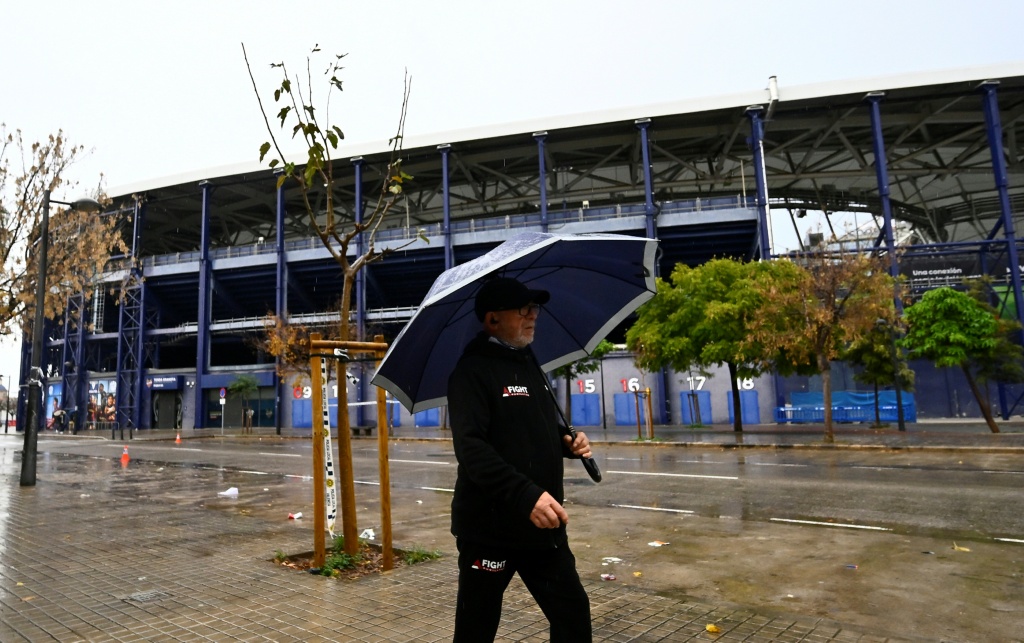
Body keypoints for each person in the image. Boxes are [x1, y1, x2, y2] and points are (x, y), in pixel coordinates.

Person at [447, 277, 593, 642]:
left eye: (534, 308)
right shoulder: (470, 372)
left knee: (573, 613)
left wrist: (565, 441)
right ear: (493, 319)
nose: (533, 315)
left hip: (542, 526)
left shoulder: (529, 362)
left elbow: (527, 428)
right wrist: (526, 496)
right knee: (476, 629)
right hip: (489, 530)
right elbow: (472, 449)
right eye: (523, 309)